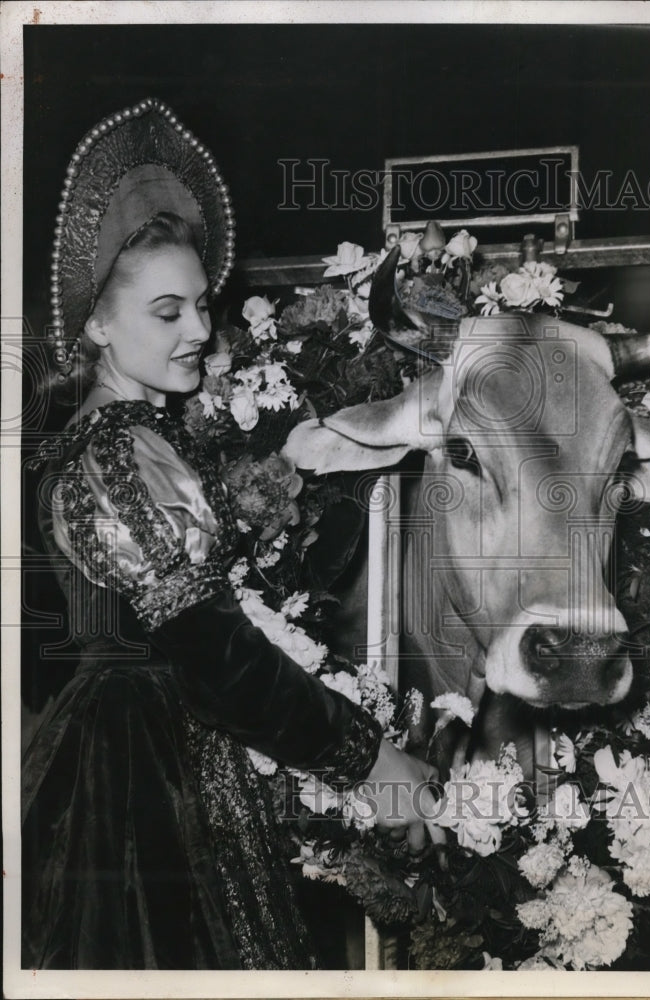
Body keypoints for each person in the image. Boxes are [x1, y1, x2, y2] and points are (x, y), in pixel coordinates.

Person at [22, 98, 440, 970]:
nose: (201, 331)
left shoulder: (139, 442)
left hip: (164, 748)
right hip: (134, 777)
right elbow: (216, 659)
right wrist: (371, 759)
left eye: (203, 306)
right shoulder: (111, 454)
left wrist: (295, 474)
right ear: (98, 324)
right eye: (167, 313)